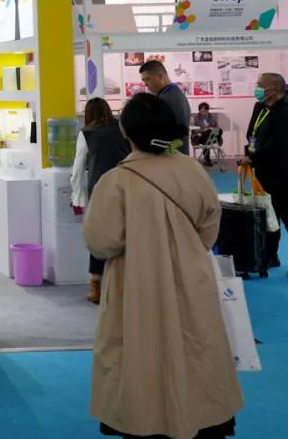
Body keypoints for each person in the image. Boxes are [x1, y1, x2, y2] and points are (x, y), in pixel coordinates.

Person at [84, 92, 242, 439]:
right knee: (196, 349)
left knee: (139, 353)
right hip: (192, 280)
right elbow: (209, 228)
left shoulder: (116, 181)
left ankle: (146, 420)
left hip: (135, 287)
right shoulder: (193, 171)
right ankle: (199, 417)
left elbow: (100, 241)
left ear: (127, 132)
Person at [71, 98, 131, 304]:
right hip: (128, 186)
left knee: (100, 236)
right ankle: (125, 286)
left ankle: (95, 286)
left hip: (100, 189)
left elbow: (78, 168)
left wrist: (77, 196)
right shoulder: (123, 128)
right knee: (127, 235)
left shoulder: (86, 133)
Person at [242, 72, 288, 276]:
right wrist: (250, 153)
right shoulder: (260, 107)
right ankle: (270, 255)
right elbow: (252, 134)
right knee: (268, 214)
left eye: (260, 84)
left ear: (274, 89)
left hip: (285, 172)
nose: (257, 88)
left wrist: (254, 157)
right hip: (264, 171)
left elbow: (281, 143)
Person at [138, 60, 191, 154]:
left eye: (147, 79)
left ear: (160, 76)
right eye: (143, 80)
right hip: (178, 155)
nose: (145, 84)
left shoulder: (165, 100)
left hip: (170, 156)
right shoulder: (176, 93)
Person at [192, 102, 219, 166]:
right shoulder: (196, 117)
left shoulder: (213, 117)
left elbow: (217, 128)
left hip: (211, 136)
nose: (203, 113)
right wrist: (203, 130)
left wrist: (211, 129)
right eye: (201, 112)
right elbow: (194, 129)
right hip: (200, 137)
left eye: (205, 111)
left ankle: (207, 160)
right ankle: (208, 159)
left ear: (208, 110)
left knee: (214, 133)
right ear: (199, 111)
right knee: (205, 139)